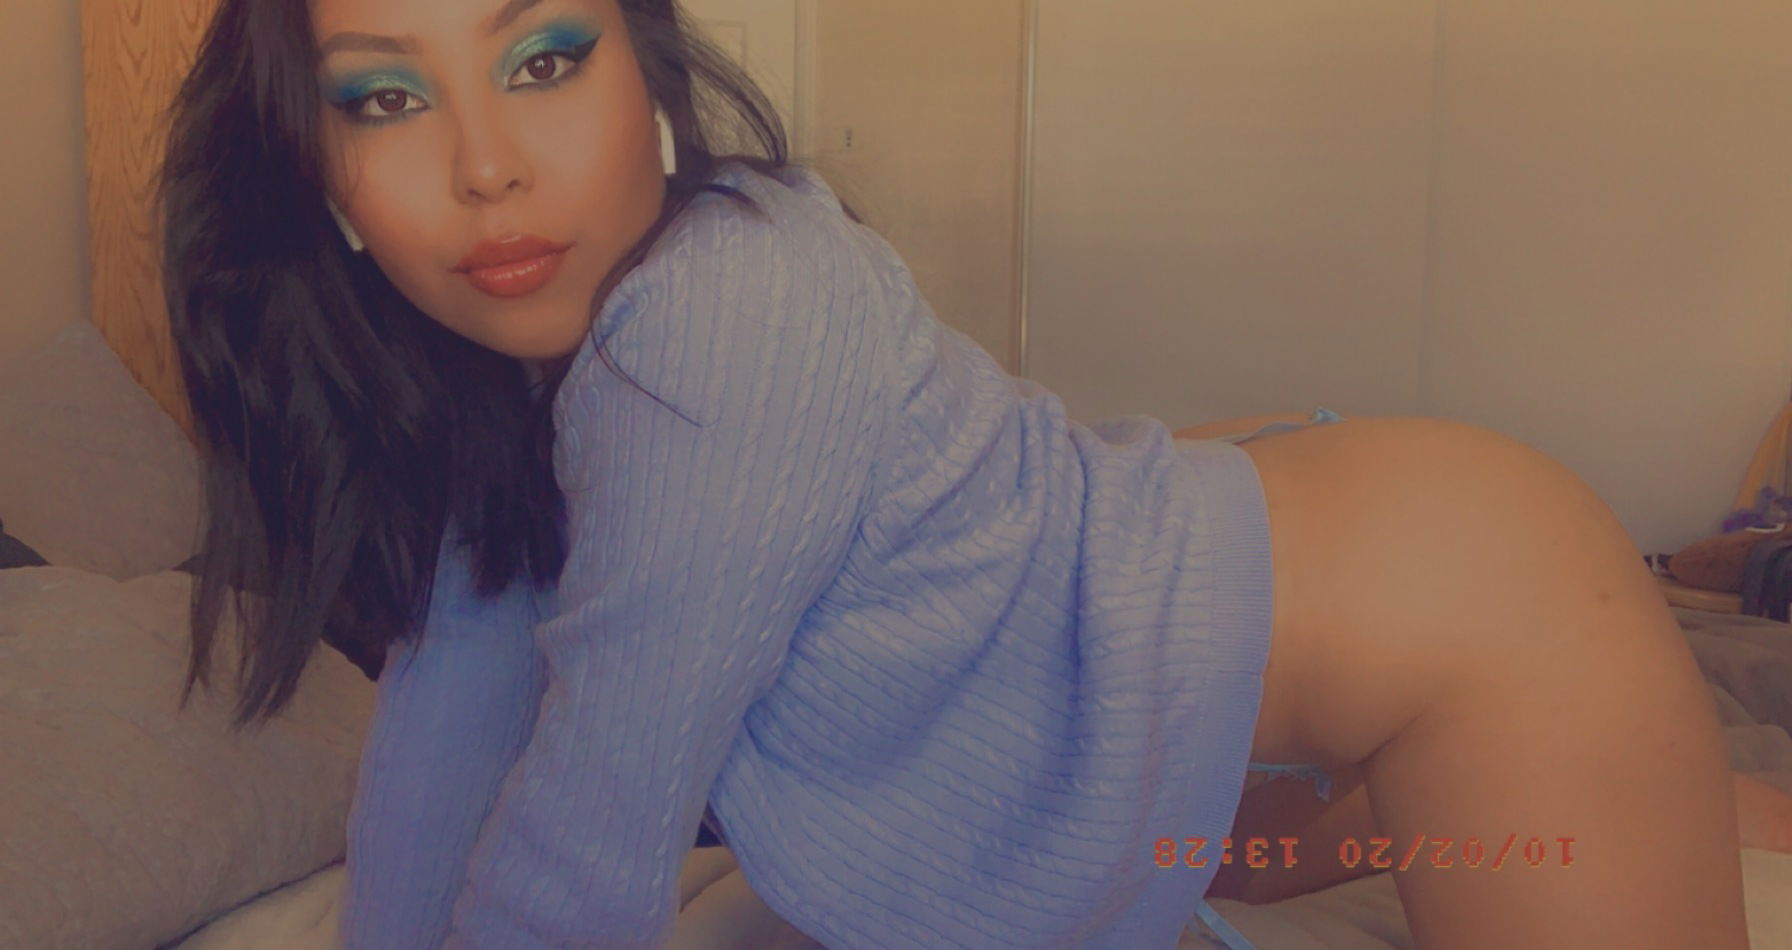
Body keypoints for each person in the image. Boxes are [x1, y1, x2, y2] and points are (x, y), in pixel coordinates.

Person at [156, 0, 1767, 946]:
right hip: (1175, 683)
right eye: (385, 96)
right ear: (326, 174)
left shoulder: (721, 315)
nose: (486, 162)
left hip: (1472, 612)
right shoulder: (494, 391)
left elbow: (592, 826)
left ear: (644, 77)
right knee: (1243, 840)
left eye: (542, 57)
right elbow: (443, 736)